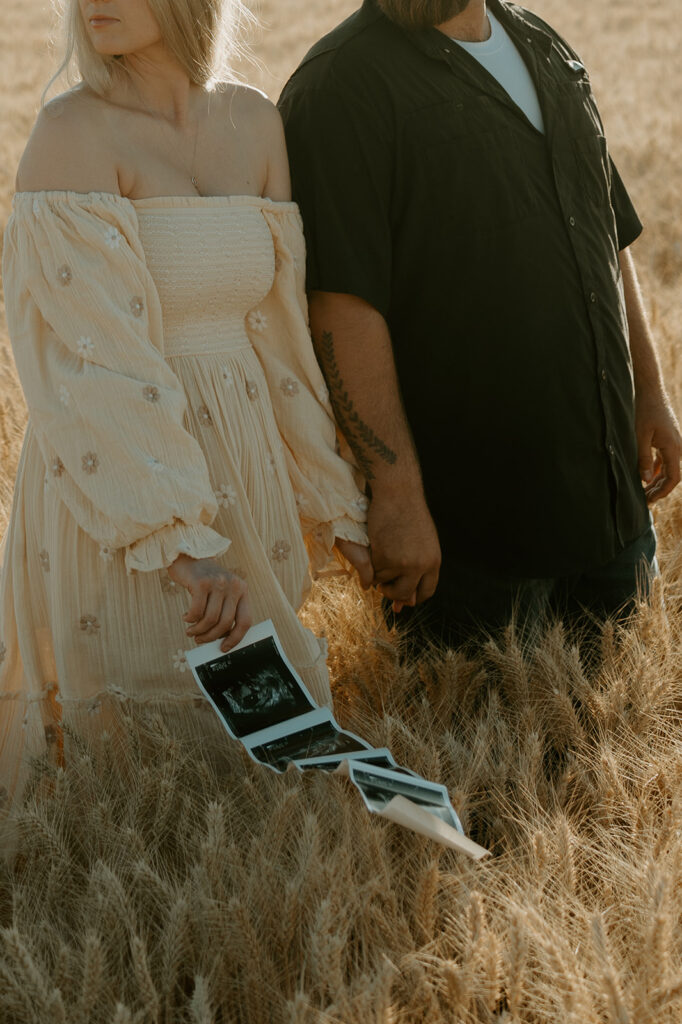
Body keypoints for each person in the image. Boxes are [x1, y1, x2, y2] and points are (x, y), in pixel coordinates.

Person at [0, 0, 373, 813]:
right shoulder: (72, 133)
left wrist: (336, 504)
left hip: (245, 476)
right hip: (120, 493)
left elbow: (281, 343)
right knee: (131, 793)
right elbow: (91, 366)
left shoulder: (255, 122)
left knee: (269, 790)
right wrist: (179, 544)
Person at [278, 0, 681, 644]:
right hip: (474, 541)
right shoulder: (339, 85)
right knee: (488, 734)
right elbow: (339, 306)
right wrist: (398, 493)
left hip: (609, 509)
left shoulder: (545, 45)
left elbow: (604, 229)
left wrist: (651, 391)